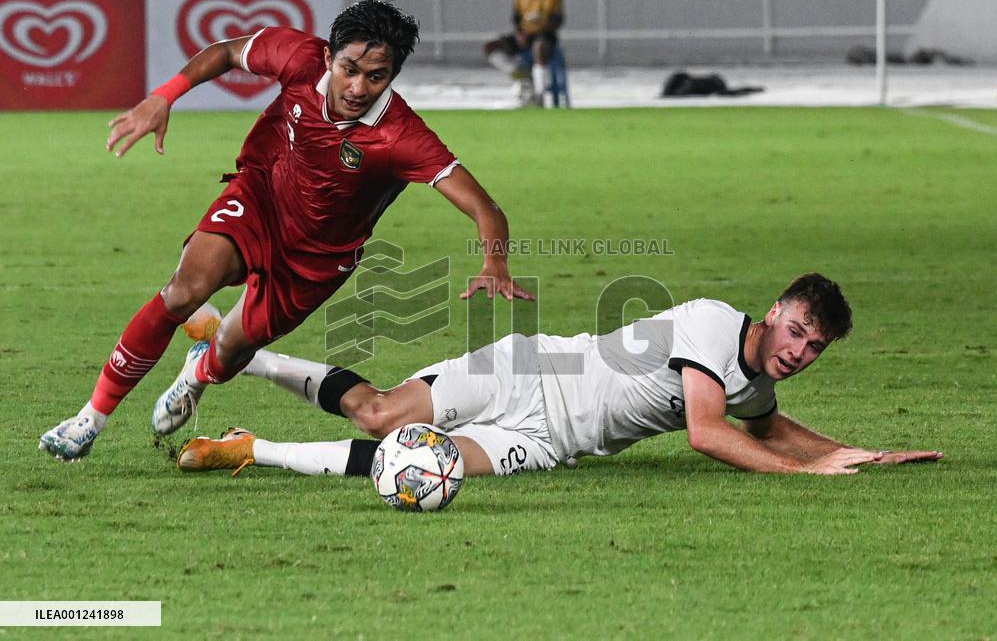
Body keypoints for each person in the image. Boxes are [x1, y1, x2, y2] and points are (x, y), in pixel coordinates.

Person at [39, 0, 534, 462]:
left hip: (317, 260)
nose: (358, 88)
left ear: (392, 77)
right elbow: (225, 52)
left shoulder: (402, 135)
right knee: (183, 292)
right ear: (329, 57)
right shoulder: (298, 57)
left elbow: (484, 207)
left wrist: (495, 261)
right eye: (349, 69)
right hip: (261, 196)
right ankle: (90, 419)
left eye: (376, 77)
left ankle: (199, 372)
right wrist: (163, 97)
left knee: (231, 350)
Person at [176, 273, 942, 478]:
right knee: (379, 415)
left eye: (815, 348)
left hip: (550, 443)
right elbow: (708, 434)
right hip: (529, 374)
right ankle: (240, 349)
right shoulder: (713, 324)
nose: (800, 351)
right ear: (773, 313)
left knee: (421, 464)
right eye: (797, 331)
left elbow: (769, 426)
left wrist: (861, 455)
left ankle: (245, 448)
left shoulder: (758, 383)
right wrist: (806, 473)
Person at [484, 0, 564, 107]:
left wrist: (539, 25)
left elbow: (557, 20)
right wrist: (519, 35)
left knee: (539, 47)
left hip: (544, 35)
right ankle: (520, 74)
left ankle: (539, 94)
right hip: (524, 35)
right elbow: (516, 19)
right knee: (490, 46)